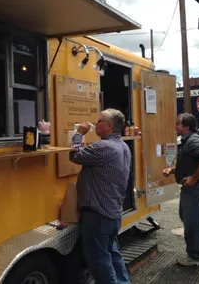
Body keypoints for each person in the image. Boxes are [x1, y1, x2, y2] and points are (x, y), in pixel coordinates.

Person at [69, 108, 131, 284]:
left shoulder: (104, 147)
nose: (96, 124)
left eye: (99, 121)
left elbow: (75, 155)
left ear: (109, 126)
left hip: (98, 215)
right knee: (112, 253)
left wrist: (78, 134)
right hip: (112, 212)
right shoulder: (123, 146)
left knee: (99, 261)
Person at [163, 113, 199, 266]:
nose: (175, 126)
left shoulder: (193, 142)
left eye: (178, 124)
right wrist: (174, 170)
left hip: (196, 188)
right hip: (192, 188)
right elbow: (191, 163)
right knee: (189, 219)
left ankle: (195, 257)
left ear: (186, 127)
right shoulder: (187, 141)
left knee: (192, 225)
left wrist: (193, 178)